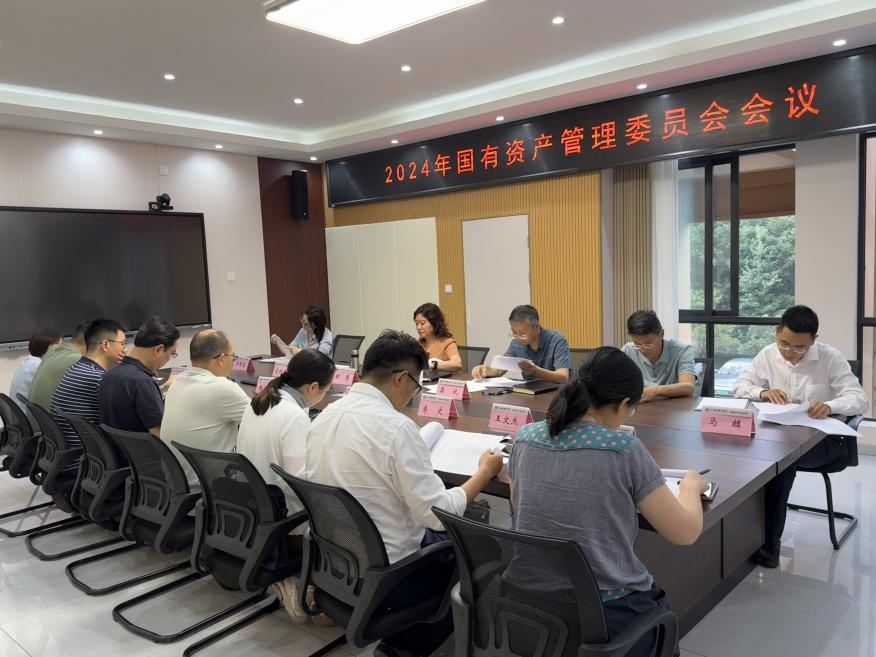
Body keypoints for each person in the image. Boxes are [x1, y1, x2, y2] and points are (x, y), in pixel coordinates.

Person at [307, 330, 504, 657]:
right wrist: (484, 473)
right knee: (482, 545)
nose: (414, 393)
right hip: (392, 579)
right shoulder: (396, 429)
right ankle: (409, 644)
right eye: (416, 383)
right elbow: (439, 515)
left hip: (336, 563)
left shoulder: (324, 416)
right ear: (400, 378)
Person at [509, 347, 707, 657]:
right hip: (606, 613)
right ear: (624, 403)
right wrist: (691, 486)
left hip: (529, 605)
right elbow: (685, 533)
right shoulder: (623, 448)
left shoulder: (524, 437)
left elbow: (518, 505)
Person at [733, 305, 869, 568]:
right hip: (780, 436)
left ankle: (769, 544)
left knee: (781, 463)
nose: (789, 352)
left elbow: (860, 400)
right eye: (784, 344)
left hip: (824, 442)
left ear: (813, 340)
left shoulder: (831, 358)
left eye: (799, 348)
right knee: (747, 452)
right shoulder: (768, 354)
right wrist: (762, 393)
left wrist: (830, 405)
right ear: (777, 332)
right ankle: (739, 537)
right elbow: (740, 386)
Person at [237, 349, 335, 625]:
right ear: (313, 387)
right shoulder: (293, 415)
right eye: (326, 389)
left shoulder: (259, 401)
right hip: (284, 517)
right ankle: (300, 582)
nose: (325, 395)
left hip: (254, 507)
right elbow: (299, 482)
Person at [161, 328, 251, 485]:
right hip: (212, 486)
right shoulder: (223, 388)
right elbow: (261, 423)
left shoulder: (176, 382)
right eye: (233, 357)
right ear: (222, 358)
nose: (232, 362)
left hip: (176, 484)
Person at [49, 319, 127, 458]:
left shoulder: (78, 367)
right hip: (88, 459)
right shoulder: (99, 378)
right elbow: (125, 423)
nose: (125, 349)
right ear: (105, 344)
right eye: (122, 343)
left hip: (74, 455)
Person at [98, 316, 179, 437]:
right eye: (172, 353)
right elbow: (162, 436)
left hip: (118, 447)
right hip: (145, 449)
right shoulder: (143, 383)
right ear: (159, 349)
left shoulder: (109, 374)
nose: (169, 359)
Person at [471, 304, 571, 383]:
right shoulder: (516, 344)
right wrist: (485, 370)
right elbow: (499, 370)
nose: (517, 337)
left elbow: (563, 377)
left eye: (522, 333)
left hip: (557, 395)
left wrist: (536, 372)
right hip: (532, 394)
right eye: (514, 332)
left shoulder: (557, 341)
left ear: (537, 326)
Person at [621, 310, 696, 401]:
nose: (643, 349)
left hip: (674, 407)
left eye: (648, 344)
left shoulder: (683, 351)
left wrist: (656, 390)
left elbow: (688, 387)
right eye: (637, 344)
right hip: (640, 406)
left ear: (661, 334)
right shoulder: (628, 350)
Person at [28, 320, 91, 410]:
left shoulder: (35, 360)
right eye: (59, 344)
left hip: (35, 415)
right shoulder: (38, 364)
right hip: (43, 416)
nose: (61, 347)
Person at [9, 328, 63, 411]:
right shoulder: (39, 366)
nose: (63, 349)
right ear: (47, 346)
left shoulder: (30, 361)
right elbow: (57, 397)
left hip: (19, 415)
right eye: (60, 345)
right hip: (30, 416)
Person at [413, 302, 461, 372]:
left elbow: (457, 364)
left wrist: (431, 364)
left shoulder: (447, 343)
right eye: (417, 324)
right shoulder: (419, 343)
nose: (419, 327)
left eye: (422, 323)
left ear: (434, 323)